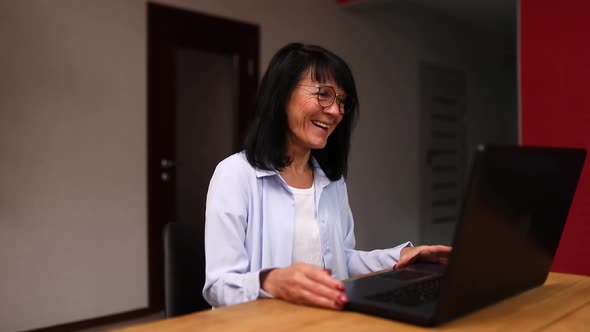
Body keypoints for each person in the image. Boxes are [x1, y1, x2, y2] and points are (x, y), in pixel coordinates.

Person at [203, 42, 451, 310]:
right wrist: (270, 281)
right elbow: (219, 287)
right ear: (281, 95)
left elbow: (341, 261)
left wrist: (401, 257)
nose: (335, 111)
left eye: (342, 101)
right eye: (323, 94)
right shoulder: (235, 174)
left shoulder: (331, 181)